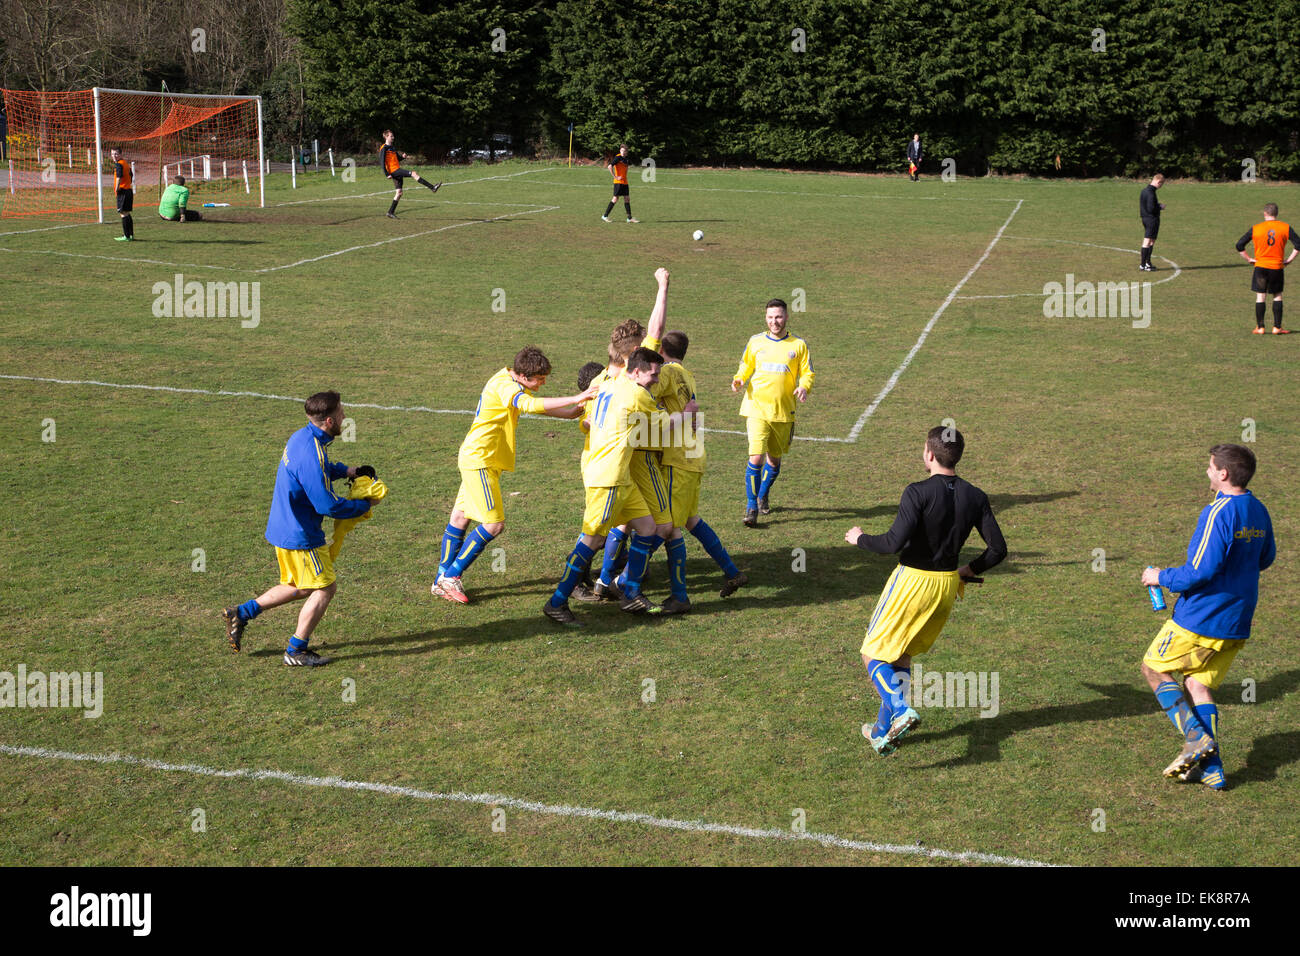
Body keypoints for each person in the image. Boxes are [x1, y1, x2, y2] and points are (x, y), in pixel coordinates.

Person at [845, 426, 1007, 755]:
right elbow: (998, 549)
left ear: (929, 454)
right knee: (901, 654)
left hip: (912, 582)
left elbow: (892, 543)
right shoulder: (976, 496)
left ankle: (901, 710)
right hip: (947, 585)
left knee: (872, 653)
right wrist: (968, 570)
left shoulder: (917, 492)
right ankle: (881, 732)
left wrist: (858, 537)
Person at [1139, 444, 1275, 790]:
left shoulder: (1219, 511)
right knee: (1197, 684)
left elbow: (1199, 570)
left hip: (1201, 617)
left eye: (1210, 467)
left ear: (1224, 473)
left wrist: (1160, 577)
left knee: (1153, 669)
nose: (1207, 472)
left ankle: (1195, 737)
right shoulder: (1259, 510)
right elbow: (1266, 557)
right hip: (1236, 620)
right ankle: (1212, 770)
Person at [221, 391, 381, 666]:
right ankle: (296, 650)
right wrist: (363, 507)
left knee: (299, 585)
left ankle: (243, 612)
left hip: (283, 526)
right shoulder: (312, 452)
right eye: (342, 413)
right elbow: (327, 505)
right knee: (325, 588)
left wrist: (348, 471)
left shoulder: (302, 437)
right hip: (301, 535)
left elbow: (319, 469)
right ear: (329, 420)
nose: (345, 417)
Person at [432, 347, 596, 604]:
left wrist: (569, 411)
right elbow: (528, 404)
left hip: (479, 458)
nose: (542, 384)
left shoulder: (509, 381)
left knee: (461, 516)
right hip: (481, 462)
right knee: (494, 524)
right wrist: (577, 396)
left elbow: (530, 405)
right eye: (539, 380)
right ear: (522, 374)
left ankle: (441, 578)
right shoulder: (506, 387)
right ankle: (450, 578)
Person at [544, 347, 690, 624]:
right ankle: (557, 602)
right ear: (635, 371)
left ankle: (631, 592)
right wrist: (687, 413)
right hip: (608, 476)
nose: (657, 380)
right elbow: (664, 425)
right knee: (593, 538)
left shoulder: (609, 383)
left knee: (647, 528)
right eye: (653, 374)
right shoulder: (637, 394)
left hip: (619, 475)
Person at [731, 298, 814, 526]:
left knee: (773, 461)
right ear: (765, 318)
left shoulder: (798, 345)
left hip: (783, 412)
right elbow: (746, 365)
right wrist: (739, 379)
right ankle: (750, 507)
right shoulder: (755, 341)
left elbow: (807, 373)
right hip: (756, 408)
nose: (774, 321)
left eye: (778, 317)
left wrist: (803, 387)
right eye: (770, 317)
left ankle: (762, 494)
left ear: (786, 317)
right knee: (755, 457)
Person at [1234, 203, 1296, 334]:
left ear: (1264, 214)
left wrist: (1249, 259)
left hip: (1261, 267)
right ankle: (1277, 327)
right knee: (1277, 295)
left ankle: (1260, 327)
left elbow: (1239, 245)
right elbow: (1298, 244)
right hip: (1277, 267)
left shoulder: (1256, 228)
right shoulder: (1285, 227)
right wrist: (1289, 260)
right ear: (1276, 214)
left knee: (1260, 296)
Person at [380, 129, 441, 219]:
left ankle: (390, 212)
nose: (393, 137)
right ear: (386, 136)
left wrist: (403, 157)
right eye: (391, 136)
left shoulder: (392, 148)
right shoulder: (384, 148)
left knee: (399, 192)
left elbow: (397, 158)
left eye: (393, 136)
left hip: (397, 169)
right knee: (413, 173)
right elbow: (381, 161)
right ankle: (432, 187)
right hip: (394, 171)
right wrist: (386, 174)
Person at [601, 144, 637, 223]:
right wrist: (615, 177)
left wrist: (625, 176)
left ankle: (629, 218)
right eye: (622, 151)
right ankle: (605, 216)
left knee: (627, 198)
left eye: (625, 151)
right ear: (620, 150)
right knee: (615, 199)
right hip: (618, 182)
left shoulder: (626, 159)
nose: (623, 152)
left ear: (627, 152)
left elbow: (626, 168)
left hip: (624, 182)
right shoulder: (617, 157)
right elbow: (609, 166)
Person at [1138, 173, 1165, 271]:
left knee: (1151, 241)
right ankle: (1143, 264)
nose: (1160, 187)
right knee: (1147, 241)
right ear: (1158, 182)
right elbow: (1151, 208)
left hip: (1145, 218)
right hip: (1151, 219)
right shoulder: (1150, 192)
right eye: (1161, 184)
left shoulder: (1144, 190)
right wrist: (1160, 207)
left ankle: (1148, 262)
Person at [109, 148, 134, 241]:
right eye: (112, 154)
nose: (114, 156)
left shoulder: (119, 164)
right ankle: (130, 235)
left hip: (122, 191)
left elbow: (119, 177)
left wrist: (116, 189)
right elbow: (131, 175)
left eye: (116, 154)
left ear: (120, 154)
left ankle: (126, 236)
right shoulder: (125, 164)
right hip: (128, 191)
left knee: (123, 213)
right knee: (127, 213)